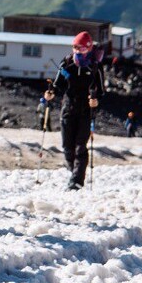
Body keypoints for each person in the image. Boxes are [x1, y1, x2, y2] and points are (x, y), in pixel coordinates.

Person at [43, 31, 103, 190]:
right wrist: (50, 93)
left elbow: (101, 90)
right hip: (68, 108)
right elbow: (57, 84)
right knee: (67, 147)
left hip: (85, 110)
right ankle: (73, 172)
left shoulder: (95, 67)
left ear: (89, 48)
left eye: (81, 48)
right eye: (75, 47)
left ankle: (77, 181)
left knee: (80, 146)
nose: (78, 51)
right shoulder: (66, 63)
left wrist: (95, 101)